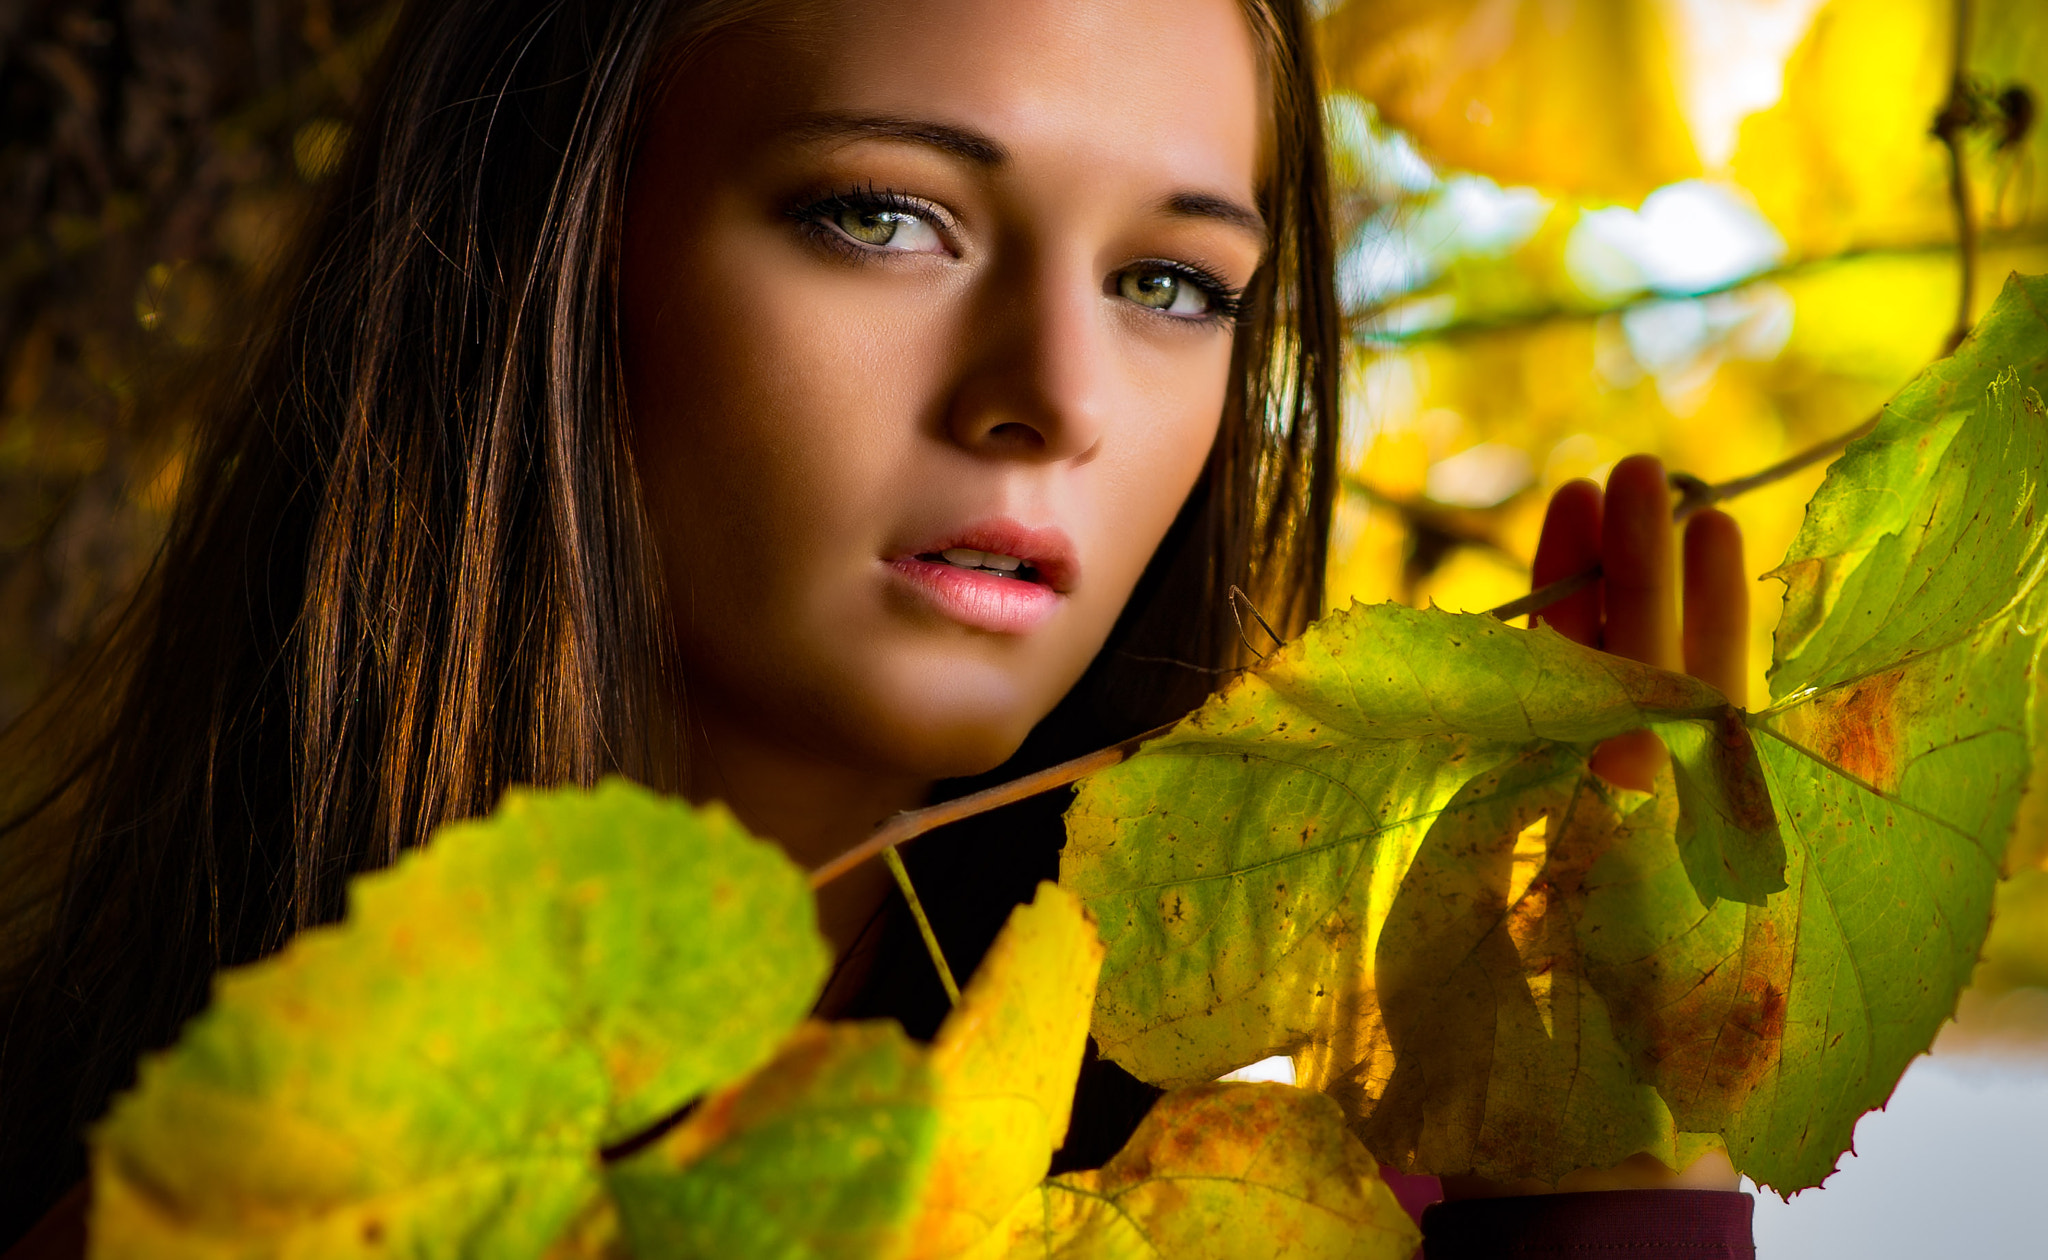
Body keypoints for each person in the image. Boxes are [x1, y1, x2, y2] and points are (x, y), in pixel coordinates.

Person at [0, 0, 1756, 1254]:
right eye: (886, 216)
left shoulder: (1266, 1214)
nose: (1054, 398)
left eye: (1169, 284)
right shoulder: (124, 1177)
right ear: (551, 236)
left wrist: (1616, 1172)